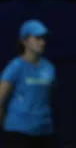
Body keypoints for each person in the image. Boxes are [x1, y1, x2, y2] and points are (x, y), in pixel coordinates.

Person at [0, 20, 56, 148]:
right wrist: (9, 125)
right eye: (37, 38)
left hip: (45, 131)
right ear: (24, 41)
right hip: (18, 133)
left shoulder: (49, 68)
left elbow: (49, 97)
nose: (42, 42)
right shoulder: (15, 67)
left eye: (44, 38)